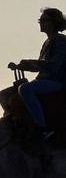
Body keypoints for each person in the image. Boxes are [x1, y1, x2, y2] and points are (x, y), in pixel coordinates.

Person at [9, 7, 66, 139]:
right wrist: (20, 66)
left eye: (44, 19)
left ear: (54, 22)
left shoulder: (61, 41)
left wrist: (30, 63)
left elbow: (54, 66)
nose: (40, 22)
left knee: (25, 89)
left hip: (57, 81)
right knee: (5, 94)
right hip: (46, 79)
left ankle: (43, 128)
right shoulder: (47, 42)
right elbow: (42, 66)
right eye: (40, 20)